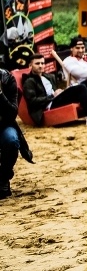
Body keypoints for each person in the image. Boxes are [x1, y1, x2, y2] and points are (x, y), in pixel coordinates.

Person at [23, 53, 87, 127]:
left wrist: (60, 91)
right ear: (30, 66)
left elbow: (54, 91)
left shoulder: (48, 77)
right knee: (80, 88)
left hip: (55, 99)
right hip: (48, 105)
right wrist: (52, 96)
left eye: (42, 63)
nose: (40, 66)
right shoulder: (29, 81)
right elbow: (32, 102)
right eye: (37, 63)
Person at [0, 67, 33, 199]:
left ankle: (3, 177)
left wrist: (0, 94)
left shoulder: (7, 79)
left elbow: (12, 113)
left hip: (4, 125)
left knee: (12, 140)